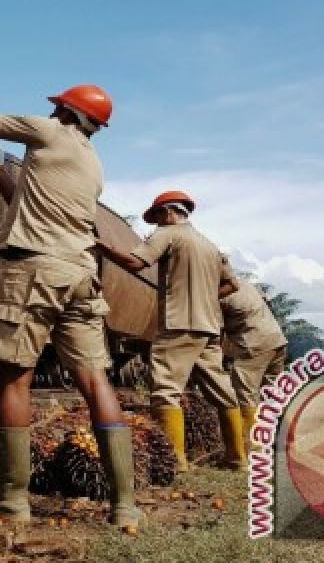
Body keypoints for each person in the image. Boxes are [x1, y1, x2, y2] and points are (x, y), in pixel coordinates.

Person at [0, 83, 143, 530]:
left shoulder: (48, 132)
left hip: (36, 272)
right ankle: (124, 504)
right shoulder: (90, 163)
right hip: (81, 275)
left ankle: (11, 498)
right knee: (95, 380)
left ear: (66, 111)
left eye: (60, 107)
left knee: (14, 377)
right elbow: (29, 204)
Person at [93, 191, 247, 472]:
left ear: (167, 213)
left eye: (156, 218)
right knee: (222, 392)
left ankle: (176, 462)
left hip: (179, 324)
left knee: (165, 389)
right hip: (209, 327)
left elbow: (135, 263)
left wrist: (100, 246)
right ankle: (238, 458)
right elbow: (232, 285)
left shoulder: (168, 234)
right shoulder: (210, 246)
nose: (156, 225)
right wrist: (203, 298)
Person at [218, 261, 287, 449]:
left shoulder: (220, 297)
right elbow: (266, 301)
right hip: (277, 341)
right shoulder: (247, 286)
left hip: (254, 345)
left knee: (244, 394)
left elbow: (216, 331)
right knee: (272, 393)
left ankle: (251, 445)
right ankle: (282, 438)